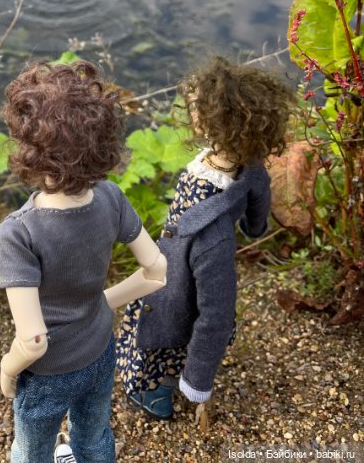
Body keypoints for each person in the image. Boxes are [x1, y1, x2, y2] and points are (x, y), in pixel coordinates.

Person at [0, 61, 168, 463]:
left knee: (32, 451)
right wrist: (102, 302)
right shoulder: (110, 197)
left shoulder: (18, 233)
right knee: (93, 436)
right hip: (100, 349)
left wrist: (8, 368)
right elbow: (157, 271)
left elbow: (34, 340)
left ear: (29, 147)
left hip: (49, 371)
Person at [116, 57, 294, 426]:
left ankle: (155, 395)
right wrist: (256, 226)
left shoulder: (211, 236)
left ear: (220, 120)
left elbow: (217, 315)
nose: (191, 108)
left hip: (176, 281)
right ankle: (163, 379)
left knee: (166, 334)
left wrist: (198, 383)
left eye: (199, 105)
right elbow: (259, 193)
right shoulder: (247, 163)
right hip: (175, 256)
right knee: (166, 328)